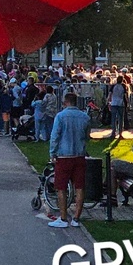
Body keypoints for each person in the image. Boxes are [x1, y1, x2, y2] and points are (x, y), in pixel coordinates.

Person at [48, 92, 91, 228]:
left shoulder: (60, 116)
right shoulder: (85, 117)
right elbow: (87, 136)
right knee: (79, 186)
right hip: (79, 155)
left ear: (66, 102)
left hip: (64, 155)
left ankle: (63, 217)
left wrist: (52, 153)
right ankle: (76, 218)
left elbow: (55, 136)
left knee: (61, 187)